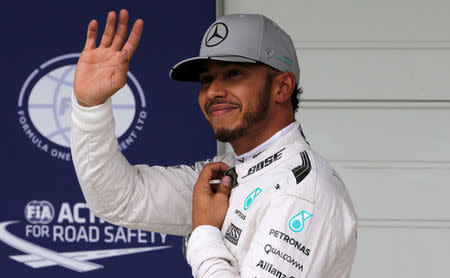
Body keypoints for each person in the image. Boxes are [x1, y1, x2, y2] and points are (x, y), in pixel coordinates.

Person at [71, 9, 357, 278]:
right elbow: (120, 199)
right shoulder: (231, 171)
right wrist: (90, 107)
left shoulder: (301, 194)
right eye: (206, 81)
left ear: (282, 87)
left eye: (234, 74)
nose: (213, 92)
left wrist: (205, 231)